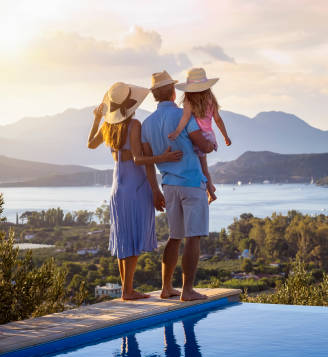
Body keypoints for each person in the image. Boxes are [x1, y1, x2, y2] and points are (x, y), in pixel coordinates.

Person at [87, 82, 182, 300]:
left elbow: (90, 144)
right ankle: (128, 290)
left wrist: (96, 118)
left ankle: (126, 289)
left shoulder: (108, 127)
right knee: (134, 237)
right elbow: (140, 159)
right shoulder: (135, 125)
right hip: (135, 187)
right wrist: (163, 158)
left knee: (123, 238)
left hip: (117, 188)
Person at [141, 70, 215, 301]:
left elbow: (148, 163)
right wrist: (211, 144)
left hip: (168, 185)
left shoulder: (147, 124)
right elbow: (201, 143)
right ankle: (188, 290)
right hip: (192, 183)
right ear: (174, 92)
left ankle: (166, 288)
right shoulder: (184, 115)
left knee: (175, 237)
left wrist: (155, 190)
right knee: (194, 237)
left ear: (154, 95)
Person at [168, 67, 232, 203]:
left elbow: (185, 119)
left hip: (197, 138)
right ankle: (210, 188)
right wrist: (226, 137)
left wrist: (177, 132)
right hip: (209, 136)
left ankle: (210, 192)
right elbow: (218, 120)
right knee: (203, 167)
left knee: (201, 168)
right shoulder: (210, 99)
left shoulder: (189, 101)